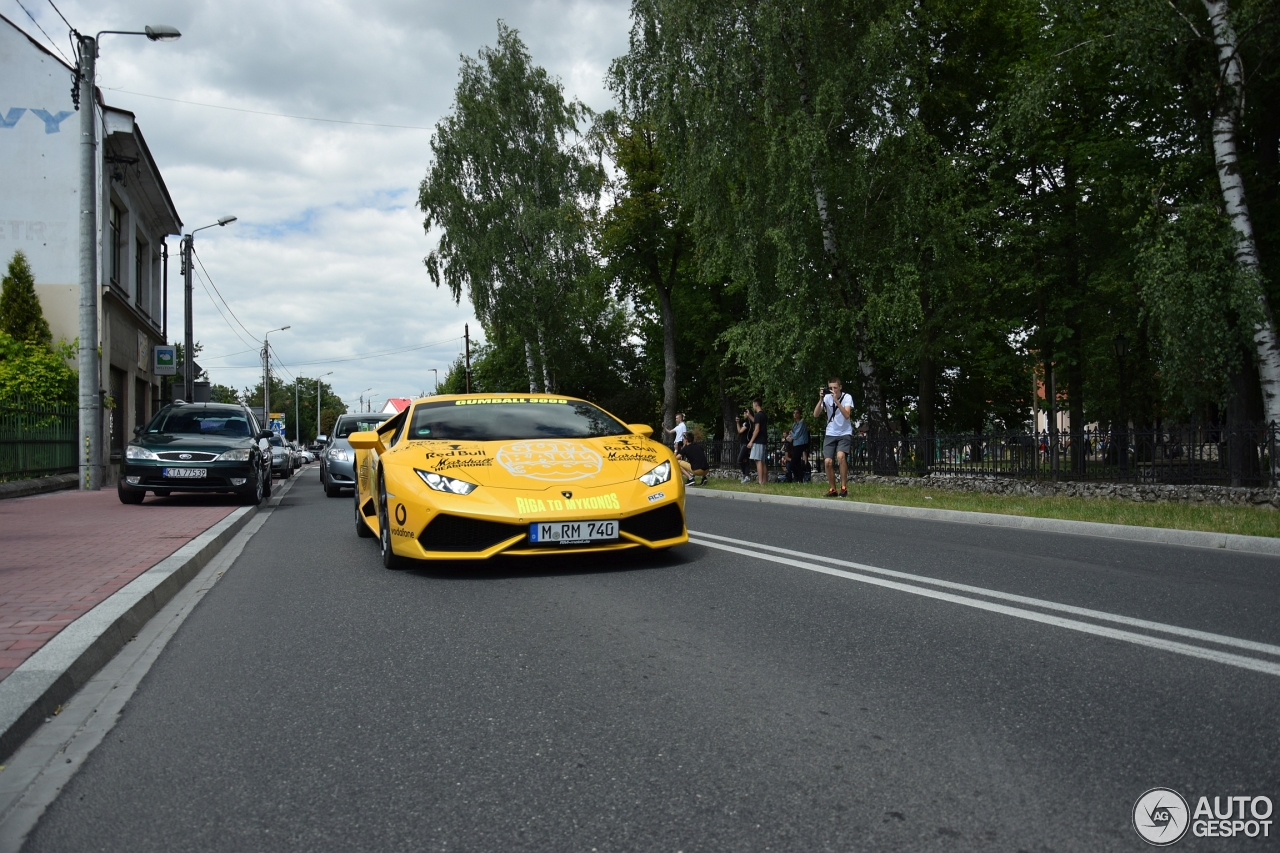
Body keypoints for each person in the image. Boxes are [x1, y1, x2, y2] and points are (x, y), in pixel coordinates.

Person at [814, 376, 854, 497]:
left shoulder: (847, 397)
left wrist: (837, 401)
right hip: (831, 432)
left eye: (835, 388)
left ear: (840, 387)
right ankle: (833, 489)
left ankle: (843, 487)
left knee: (841, 457)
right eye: (830, 388)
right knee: (828, 462)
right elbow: (815, 414)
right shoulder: (826, 398)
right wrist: (821, 399)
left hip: (844, 432)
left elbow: (847, 415)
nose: (833, 390)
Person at [747, 397, 768, 485]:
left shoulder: (758, 415)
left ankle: (760, 481)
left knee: (758, 461)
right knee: (762, 461)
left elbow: (757, 429)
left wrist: (751, 441)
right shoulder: (763, 415)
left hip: (758, 441)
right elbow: (756, 421)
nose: (753, 407)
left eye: (753, 405)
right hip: (763, 440)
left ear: (756, 404)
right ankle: (765, 480)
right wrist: (749, 416)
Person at [787, 407, 810, 483]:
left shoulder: (802, 423)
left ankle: (799, 476)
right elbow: (791, 435)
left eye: (797, 413)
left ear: (800, 414)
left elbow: (795, 434)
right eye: (794, 413)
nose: (795, 414)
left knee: (793, 463)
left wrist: (791, 433)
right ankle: (799, 479)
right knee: (797, 463)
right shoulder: (794, 424)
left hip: (801, 444)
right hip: (795, 444)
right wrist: (791, 434)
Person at [736, 407, 754, 483]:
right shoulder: (748, 422)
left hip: (745, 443)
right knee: (745, 460)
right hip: (744, 443)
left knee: (739, 460)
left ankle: (744, 474)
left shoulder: (748, 423)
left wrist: (737, 423)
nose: (744, 414)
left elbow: (740, 431)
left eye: (745, 413)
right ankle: (746, 476)